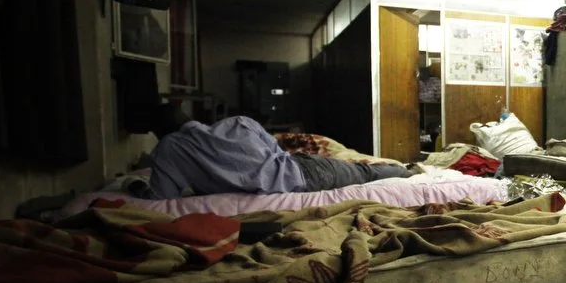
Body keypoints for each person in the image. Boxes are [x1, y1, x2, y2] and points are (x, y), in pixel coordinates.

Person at [145, 106, 411, 199]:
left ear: (159, 132)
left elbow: (162, 198)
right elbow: (277, 151)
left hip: (304, 174)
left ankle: (410, 171)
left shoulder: (167, 149)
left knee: (363, 172)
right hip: (304, 171)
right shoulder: (238, 123)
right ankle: (406, 170)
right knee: (362, 172)